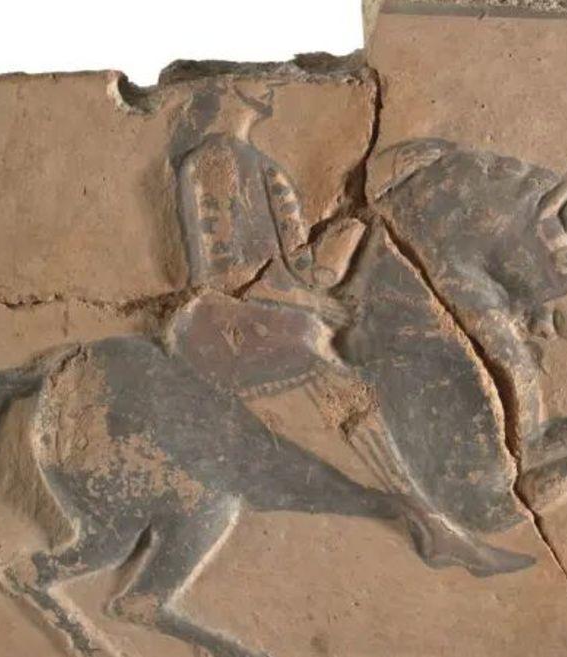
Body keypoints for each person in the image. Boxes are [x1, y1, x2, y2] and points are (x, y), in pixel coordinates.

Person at [164, 77, 530, 576]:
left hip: (274, 314)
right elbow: (229, 275)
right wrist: (308, 293)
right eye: (260, 85)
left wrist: (350, 232)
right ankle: (431, 527)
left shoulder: (266, 166)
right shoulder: (215, 161)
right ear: (228, 93)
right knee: (345, 387)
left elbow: (304, 269)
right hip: (229, 325)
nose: (270, 89)